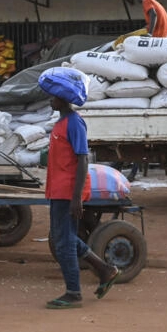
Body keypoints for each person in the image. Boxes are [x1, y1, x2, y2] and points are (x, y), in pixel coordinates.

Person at [44, 92, 121, 309]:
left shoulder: (74, 123)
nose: (50, 100)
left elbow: (83, 159)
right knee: (63, 237)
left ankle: (73, 292)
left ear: (63, 99)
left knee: (65, 242)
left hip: (68, 191)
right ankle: (105, 270)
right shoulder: (61, 122)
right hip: (57, 189)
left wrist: (76, 197)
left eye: (53, 97)